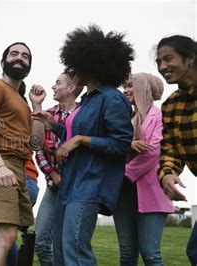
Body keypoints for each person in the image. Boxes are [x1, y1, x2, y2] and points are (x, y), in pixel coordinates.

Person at [33, 25, 134, 264]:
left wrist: (79, 140)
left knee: (76, 252)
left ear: (91, 65)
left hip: (90, 185)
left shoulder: (112, 98)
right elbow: (76, 133)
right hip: (70, 184)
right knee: (60, 251)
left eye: (75, 65)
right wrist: (55, 125)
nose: (72, 70)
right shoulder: (87, 101)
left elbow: (121, 144)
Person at [0, 42, 45, 265]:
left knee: (12, 236)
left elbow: (36, 143)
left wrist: (36, 108)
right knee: (4, 237)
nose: (20, 58)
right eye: (14, 53)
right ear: (3, 61)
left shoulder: (23, 103)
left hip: (19, 167)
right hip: (1, 163)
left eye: (25, 56)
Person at [112, 73, 173, 265]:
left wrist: (125, 174)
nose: (126, 90)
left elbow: (154, 151)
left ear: (144, 88)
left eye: (131, 85)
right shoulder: (123, 118)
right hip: (123, 193)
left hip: (150, 192)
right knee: (127, 253)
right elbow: (114, 146)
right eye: (125, 86)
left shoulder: (160, 116)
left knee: (150, 253)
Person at [155, 35, 197, 264]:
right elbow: (169, 147)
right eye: (159, 62)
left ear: (190, 58)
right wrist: (168, 173)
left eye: (168, 59)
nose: (163, 67)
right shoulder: (171, 105)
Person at [34, 72, 83, 265]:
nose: (53, 87)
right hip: (54, 187)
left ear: (71, 88)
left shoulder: (83, 115)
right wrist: (53, 174)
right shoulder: (48, 114)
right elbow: (37, 147)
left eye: (58, 83)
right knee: (41, 241)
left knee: (68, 244)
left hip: (77, 189)